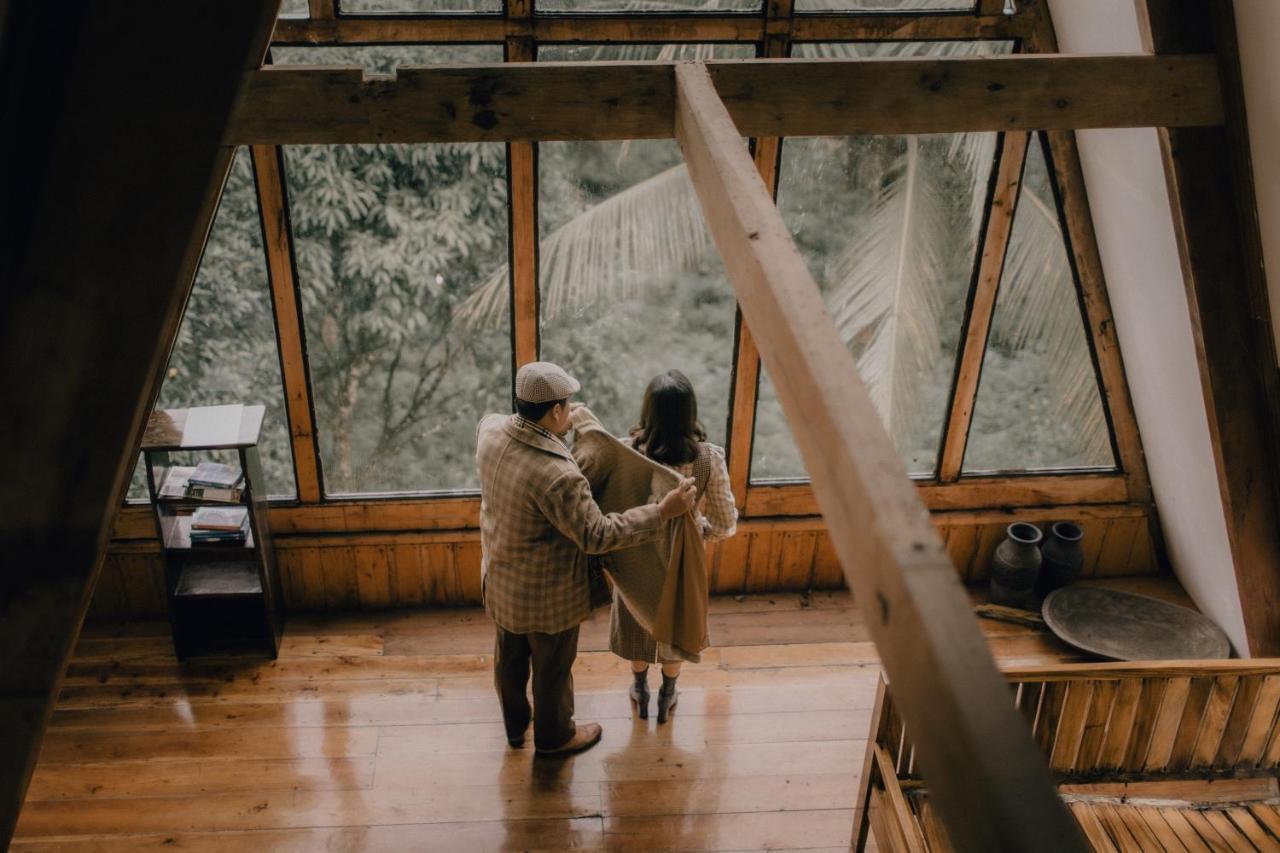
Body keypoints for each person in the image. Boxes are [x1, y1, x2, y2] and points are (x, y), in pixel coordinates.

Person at [476, 361, 696, 757]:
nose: (571, 408)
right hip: (545, 595)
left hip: (500, 578)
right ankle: (555, 737)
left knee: (508, 661)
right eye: (568, 403)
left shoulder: (489, 430)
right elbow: (597, 535)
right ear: (556, 410)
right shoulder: (558, 475)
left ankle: (514, 728)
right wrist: (663, 511)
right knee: (552, 671)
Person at [616, 370, 738, 723]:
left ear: (648, 411)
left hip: (635, 550)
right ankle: (668, 694)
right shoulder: (707, 458)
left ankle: (639, 688)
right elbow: (726, 521)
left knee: (636, 621)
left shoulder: (627, 452)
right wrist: (700, 530)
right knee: (678, 622)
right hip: (682, 558)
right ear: (690, 412)